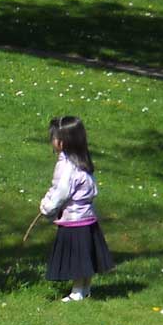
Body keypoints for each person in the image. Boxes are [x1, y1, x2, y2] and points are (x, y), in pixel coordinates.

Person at [38, 116, 113, 302]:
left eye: (54, 138)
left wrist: (47, 207)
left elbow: (61, 192)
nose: (52, 141)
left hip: (74, 220)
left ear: (63, 142)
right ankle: (85, 288)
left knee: (79, 259)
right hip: (87, 217)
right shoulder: (82, 161)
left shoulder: (67, 166)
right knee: (85, 256)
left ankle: (78, 292)